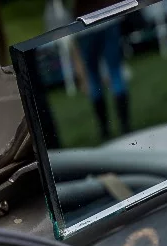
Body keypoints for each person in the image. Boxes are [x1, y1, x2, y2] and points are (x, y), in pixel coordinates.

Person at [70, 0, 127, 141]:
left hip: (85, 22)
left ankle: (105, 131)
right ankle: (125, 127)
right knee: (115, 72)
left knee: (93, 76)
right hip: (109, 13)